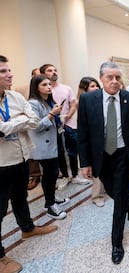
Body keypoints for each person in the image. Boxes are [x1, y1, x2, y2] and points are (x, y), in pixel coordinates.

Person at [77, 61, 129, 264]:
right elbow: (83, 133)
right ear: (101, 79)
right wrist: (85, 162)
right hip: (101, 156)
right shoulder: (88, 100)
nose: (115, 81)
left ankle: (117, 242)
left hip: (123, 154)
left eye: (118, 77)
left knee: (119, 198)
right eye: (110, 77)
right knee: (113, 192)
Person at [0, 55, 57, 272]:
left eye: (9, 70)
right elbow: (2, 129)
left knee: (20, 198)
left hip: (21, 158)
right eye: (3, 71)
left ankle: (28, 228)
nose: (10, 74)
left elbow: (33, 121)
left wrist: (10, 123)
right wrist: (16, 122)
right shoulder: (21, 101)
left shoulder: (15, 97)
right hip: (1, 164)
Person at [40, 64, 90, 190]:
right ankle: (64, 176)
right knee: (60, 152)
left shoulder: (66, 88)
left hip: (69, 124)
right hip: (53, 126)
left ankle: (74, 175)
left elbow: (73, 105)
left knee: (72, 150)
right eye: (50, 71)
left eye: (55, 70)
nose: (54, 72)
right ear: (43, 74)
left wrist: (67, 116)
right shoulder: (44, 91)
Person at [28, 75, 71, 219]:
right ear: (36, 87)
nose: (48, 87)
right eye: (44, 85)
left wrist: (58, 116)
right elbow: (36, 126)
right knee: (50, 174)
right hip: (43, 146)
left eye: (49, 84)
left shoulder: (48, 101)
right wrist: (52, 114)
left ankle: (52, 199)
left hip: (54, 142)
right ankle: (50, 205)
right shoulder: (33, 103)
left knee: (52, 174)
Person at [76, 76, 106, 207]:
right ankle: (97, 195)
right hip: (92, 142)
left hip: (106, 140)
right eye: (92, 86)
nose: (96, 88)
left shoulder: (103, 100)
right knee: (97, 171)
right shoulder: (82, 102)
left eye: (97, 86)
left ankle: (108, 190)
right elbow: (83, 128)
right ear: (84, 89)